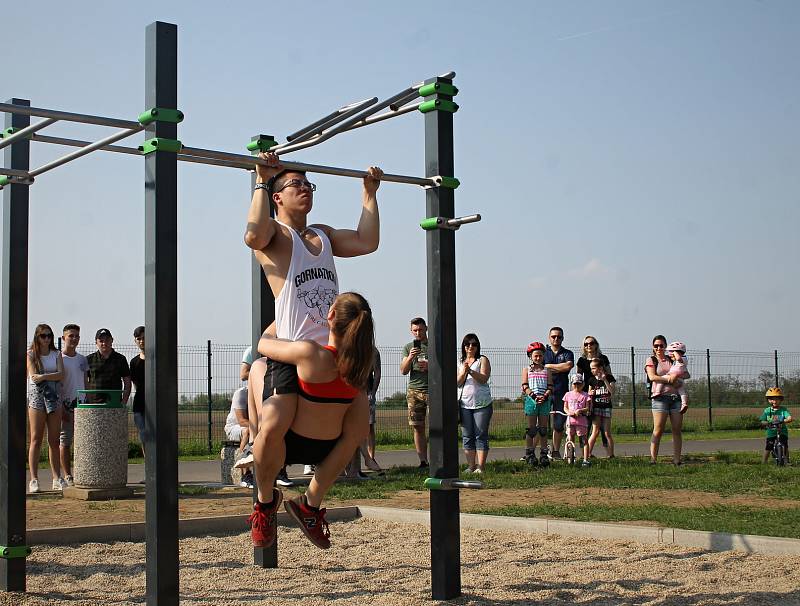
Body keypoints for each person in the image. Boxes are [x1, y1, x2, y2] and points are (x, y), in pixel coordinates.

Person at [244, 152, 382, 487]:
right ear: (277, 197)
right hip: (294, 353)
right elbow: (253, 236)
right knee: (274, 425)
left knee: (358, 429)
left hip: (333, 353)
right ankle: (263, 488)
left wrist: (369, 194)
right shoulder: (276, 236)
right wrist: (261, 180)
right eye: (296, 184)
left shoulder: (323, 234)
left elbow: (367, 241)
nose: (306, 188)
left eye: (309, 183)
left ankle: (313, 504)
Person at [247, 292, 374, 550]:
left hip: (286, 442)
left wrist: (284, 315)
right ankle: (311, 503)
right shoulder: (361, 365)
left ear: (330, 316)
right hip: (328, 451)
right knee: (356, 424)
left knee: (259, 366)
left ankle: (265, 500)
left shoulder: (310, 354)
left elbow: (264, 343)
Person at [27, 323, 65, 492]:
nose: (47, 339)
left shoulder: (56, 354)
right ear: (37, 337)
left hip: (54, 396)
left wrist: (44, 376)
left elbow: (61, 374)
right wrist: (48, 377)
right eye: (43, 336)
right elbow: (33, 376)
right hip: (37, 396)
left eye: (49, 335)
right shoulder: (31, 354)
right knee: (36, 438)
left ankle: (57, 477)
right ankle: (34, 479)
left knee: (54, 440)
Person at [645, 335, 687, 465]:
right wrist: (669, 379)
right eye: (656, 346)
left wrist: (677, 378)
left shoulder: (671, 359)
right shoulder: (651, 360)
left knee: (676, 429)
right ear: (653, 347)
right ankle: (653, 459)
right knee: (658, 429)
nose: (659, 348)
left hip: (675, 398)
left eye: (661, 345)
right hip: (660, 398)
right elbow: (652, 377)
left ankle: (677, 459)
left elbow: (683, 370)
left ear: (666, 346)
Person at [457, 334, 493, 474]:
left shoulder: (482, 360)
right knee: (467, 435)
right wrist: (463, 372)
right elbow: (458, 382)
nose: (470, 347)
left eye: (473, 344)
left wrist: (470, 371)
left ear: (477, 346)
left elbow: (484, 378)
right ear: (464, 347)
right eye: (467, 344)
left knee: (480, 434)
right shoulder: (460, 361)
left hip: (481, 404)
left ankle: (480, 467)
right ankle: (471, 466)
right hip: (465, 404)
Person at [58, 323, 88, 486]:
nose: (74, 339)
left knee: (82, 442)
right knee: (65, 441)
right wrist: (61, 406)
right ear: (64, 338)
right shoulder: (59, 358)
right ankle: (67, 475)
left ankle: (82, 472)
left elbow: (85, 382)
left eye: (77, 336)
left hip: (82, 406)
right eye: (71, 336)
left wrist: (88, 402)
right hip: (65, 406)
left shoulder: (82, 359)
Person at [400, 317, 429, 467]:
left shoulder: (435, 345)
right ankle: (423, 461)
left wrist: (431, 367)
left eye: (420, 329)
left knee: (439, 425)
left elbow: (447, 367)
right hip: (414, 390)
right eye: (415, 330)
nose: (418, 332)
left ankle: (440, 458)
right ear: (411, 331)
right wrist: (410, 357)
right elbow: (403, 371)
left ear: (426, 328)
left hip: (433, 390)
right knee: (418, 426)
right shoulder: (408, 347)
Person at [520, 341, 553, 467]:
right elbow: (525, 386)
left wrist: (544, 396)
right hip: (531, 400)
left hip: (544, 401)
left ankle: (544, 455)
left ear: (543, 356)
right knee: (531, 430)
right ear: (530, 356)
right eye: (535, 356)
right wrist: (534, 396)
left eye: (540, 355)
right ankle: (530, 453)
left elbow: (550, 386)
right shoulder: (527, 370)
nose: (538, 358)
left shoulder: (547, 370)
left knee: (543, 429)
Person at [544, 326, 574, 460]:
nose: (556, 339)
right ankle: (538, 451)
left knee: (558, 423)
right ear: (549, 337)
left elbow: (568, 366)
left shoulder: (568, 353)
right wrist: (559, 368)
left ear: (563, 338)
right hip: (544, 391)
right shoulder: (544, 352)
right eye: (553, 336)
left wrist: (549, 367)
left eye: (559, 336)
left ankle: (556, 451)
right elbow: (540, 368)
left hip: (562, 391)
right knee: (541, 423)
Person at [576, 335, 611, 450]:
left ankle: (608, 451)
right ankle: (585, 452)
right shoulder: (582, 360)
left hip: (602, 394)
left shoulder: (603, 359)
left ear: (596, 345)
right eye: (586, 344)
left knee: (604, 429)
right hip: (588, 395)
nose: (588, 346)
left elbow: (609, 375)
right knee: (586, 424)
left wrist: (607, 385)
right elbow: (578, 378)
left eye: (591, 343)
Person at [86, 328, 131, 406]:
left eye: (107, 340)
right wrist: (89, 401)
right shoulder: (89, 359)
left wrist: (123, 402)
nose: (104, 343)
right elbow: (85, 382)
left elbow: (127, 382)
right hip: (94, 404)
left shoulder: (120, 359)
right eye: (101, 341)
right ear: (96, 342)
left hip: (115, 403)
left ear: (112, 340)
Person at [586, 357, 616, 459]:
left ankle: (611, 455)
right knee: (595, 431)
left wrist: (605, 380)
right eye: (591, 368)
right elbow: (588, 395)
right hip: (596, 408)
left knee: (607, 432)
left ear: (600, 368)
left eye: (594, 368)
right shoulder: (592, 380)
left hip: (606, 407)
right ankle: (588, 454)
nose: (592, 370)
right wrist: (590, 393)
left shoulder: (610, 378)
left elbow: (612, 391)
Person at [224, 386, 254, 487]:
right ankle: (245, 475)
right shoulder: (241, 393)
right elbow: (241, 421)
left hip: (254, 426)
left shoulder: (266, 391)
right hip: (234, 427)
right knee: (247, 431)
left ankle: (277, 474)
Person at [563, 374, 591, 467]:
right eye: (575, 384)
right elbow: (565, 407)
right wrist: (569, 412)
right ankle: (571, 457)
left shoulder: (585, 395)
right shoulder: (568, 394)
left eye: (579, 384)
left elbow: (587, 408)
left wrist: (580, 410)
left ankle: (586, 459)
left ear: (582, 384)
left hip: (581, 421)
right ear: (572, 384)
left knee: (583, 440)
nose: (577, 386)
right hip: (570, 421)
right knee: (570, 438)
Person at [760, 387, 792, 464]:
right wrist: (765, 422)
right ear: (769, 400)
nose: (775, 401)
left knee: (785, 446)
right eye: (772, 399)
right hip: (771, 432)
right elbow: (762, 420)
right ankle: (764, 462)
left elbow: (789, 417)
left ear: (781, 399)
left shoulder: (783, 410)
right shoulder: (767, 410)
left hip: (782, 431)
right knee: (769, 446)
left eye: (777, 399)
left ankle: (787, 461)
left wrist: (787, 419)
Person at [129, 326, 147, 456]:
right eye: (139, 339)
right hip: (139, 405)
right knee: (144, 435)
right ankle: (148, 461)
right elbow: (134, 383)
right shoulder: (134, 362)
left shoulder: (158, 359)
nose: (141, 341)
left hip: (156, 403)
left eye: (144, 338)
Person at [666, 341, 690, 411]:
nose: (670, 354)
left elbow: (678, 359)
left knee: (663, 379)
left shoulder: (682, 358)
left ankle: (657, 392)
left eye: (671, 352)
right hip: (680, 379)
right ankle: (684, 404)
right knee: (682, 392)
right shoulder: (678, 361)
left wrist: (675, 353)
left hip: (677, 378)